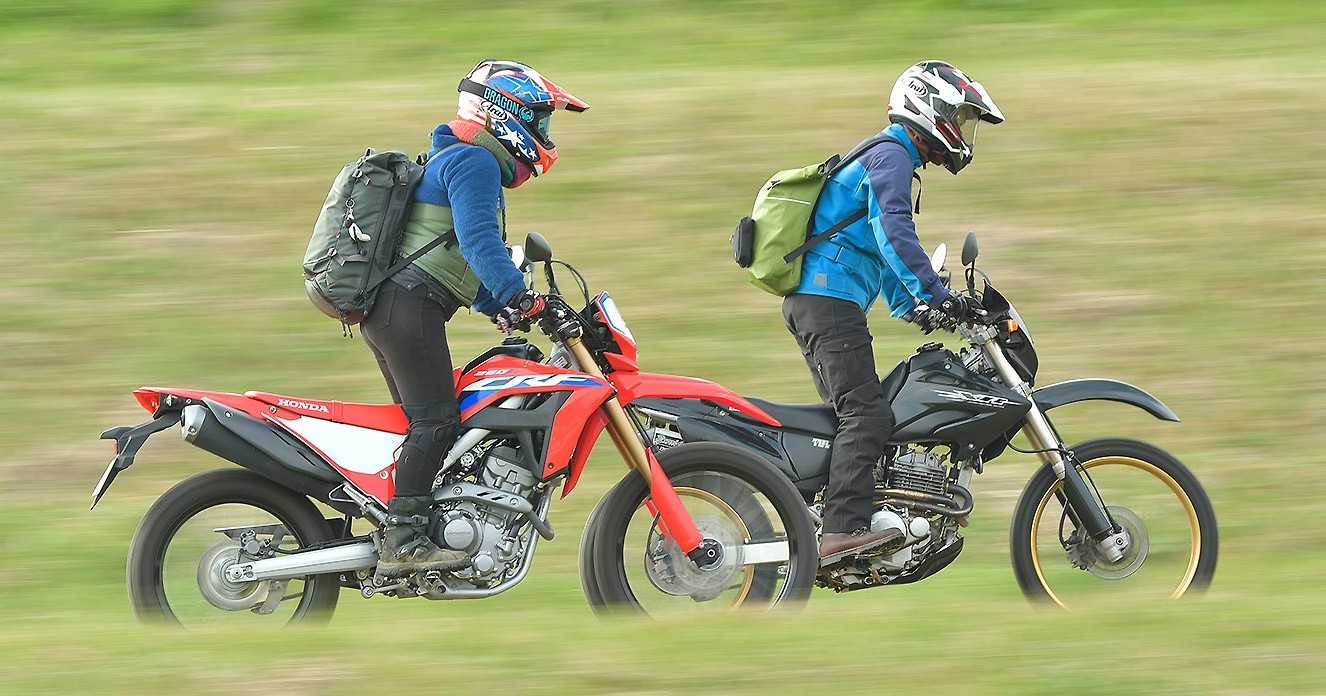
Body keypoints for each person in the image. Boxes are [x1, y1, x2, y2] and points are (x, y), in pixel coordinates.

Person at [365, 59, 588, 577]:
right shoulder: (474, 162)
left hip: (400, 307)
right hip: (407, 306)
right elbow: (479, 243)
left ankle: (426, 520)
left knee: (435, 421)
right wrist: (522, 297)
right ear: (505, 113)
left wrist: (499, 305)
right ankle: (403, 540)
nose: (545, 134)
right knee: (436, 420)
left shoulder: (459, 158)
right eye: (539, 120)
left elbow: (451, 257)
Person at [782, 60, 1003, 565]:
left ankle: (834, 516)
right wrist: (936, 293)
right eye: (960, 118)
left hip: (821, 301)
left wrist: (917, 307)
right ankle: (841, 531)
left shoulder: (886, 155)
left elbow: (876, 250)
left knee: (851, 415)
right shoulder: (892, 156)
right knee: (866, 412)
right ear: (929, 110)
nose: (963, 130)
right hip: (828, 301)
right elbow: (893, 230)